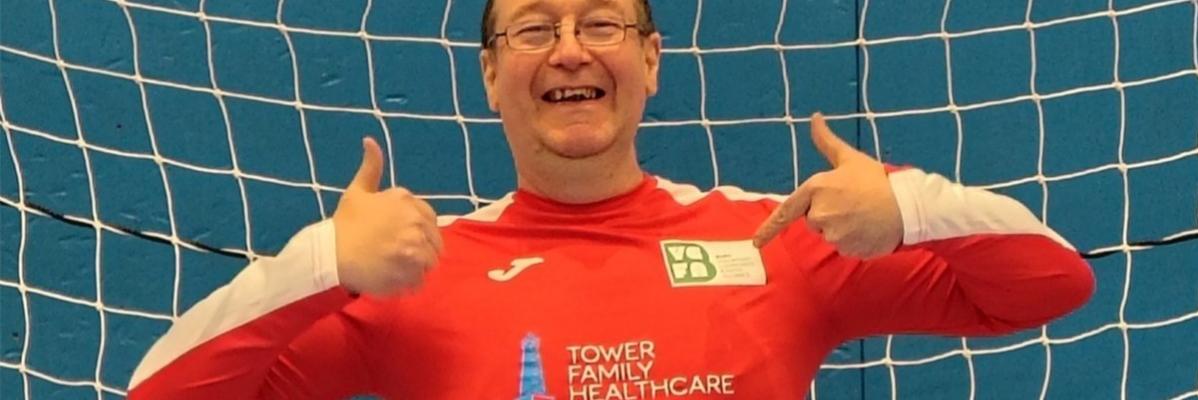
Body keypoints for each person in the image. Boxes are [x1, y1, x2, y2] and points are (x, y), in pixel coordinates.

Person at [126, 0, 1094, 398]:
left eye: (601, 23)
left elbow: (1051, 285)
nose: (572, 50)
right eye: (533, 30)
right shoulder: (410, 275)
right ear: (491, 79)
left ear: (651, 62)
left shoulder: (774, 240)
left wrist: (910, 204)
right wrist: (323, 263)